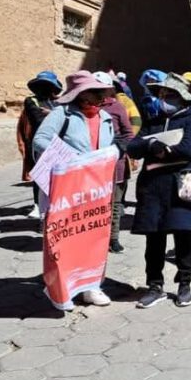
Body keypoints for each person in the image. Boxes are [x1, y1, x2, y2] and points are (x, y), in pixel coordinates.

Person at [32, 70, 117, 306]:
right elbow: (40, 139)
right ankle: (60, 286)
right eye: (95, 92)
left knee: (93, 236)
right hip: (66, 190)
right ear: (80, 94)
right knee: (64, 238)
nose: (100, 97)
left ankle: (91, 286)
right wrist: (73, 158)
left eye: (101, 93)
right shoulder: (62, 114)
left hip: (95, 189)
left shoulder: (105, 117)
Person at [127, 73, 191, 309]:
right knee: (154, 240)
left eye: (169, 95)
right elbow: (133, 146)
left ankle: (185, 284)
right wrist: (151, 144)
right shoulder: (153, 121)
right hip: (153, 189)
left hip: (181, 188)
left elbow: (189, 148)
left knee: (184, 238)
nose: (164, 99)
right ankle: (154, 285)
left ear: (182, 98)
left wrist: (165, 151)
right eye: (161, 95)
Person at [94, 71, 135, 254]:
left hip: (115, 164)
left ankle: (113, 238)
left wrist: (117, 149)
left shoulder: (117, 107)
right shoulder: (83, 108)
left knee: (115, 203)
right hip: (91, 166)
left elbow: (128, 134)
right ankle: (95, 238)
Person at [19, 71, 62, 218]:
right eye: (41, 85)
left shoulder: (58, 102)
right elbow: (37, 119)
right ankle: (38, 205)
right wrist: (55, 114)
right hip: (40, 143)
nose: (44, 88)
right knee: (40, 175)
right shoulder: (31, 101)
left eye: (47, 85)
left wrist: (51, 113)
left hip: (59, 143)